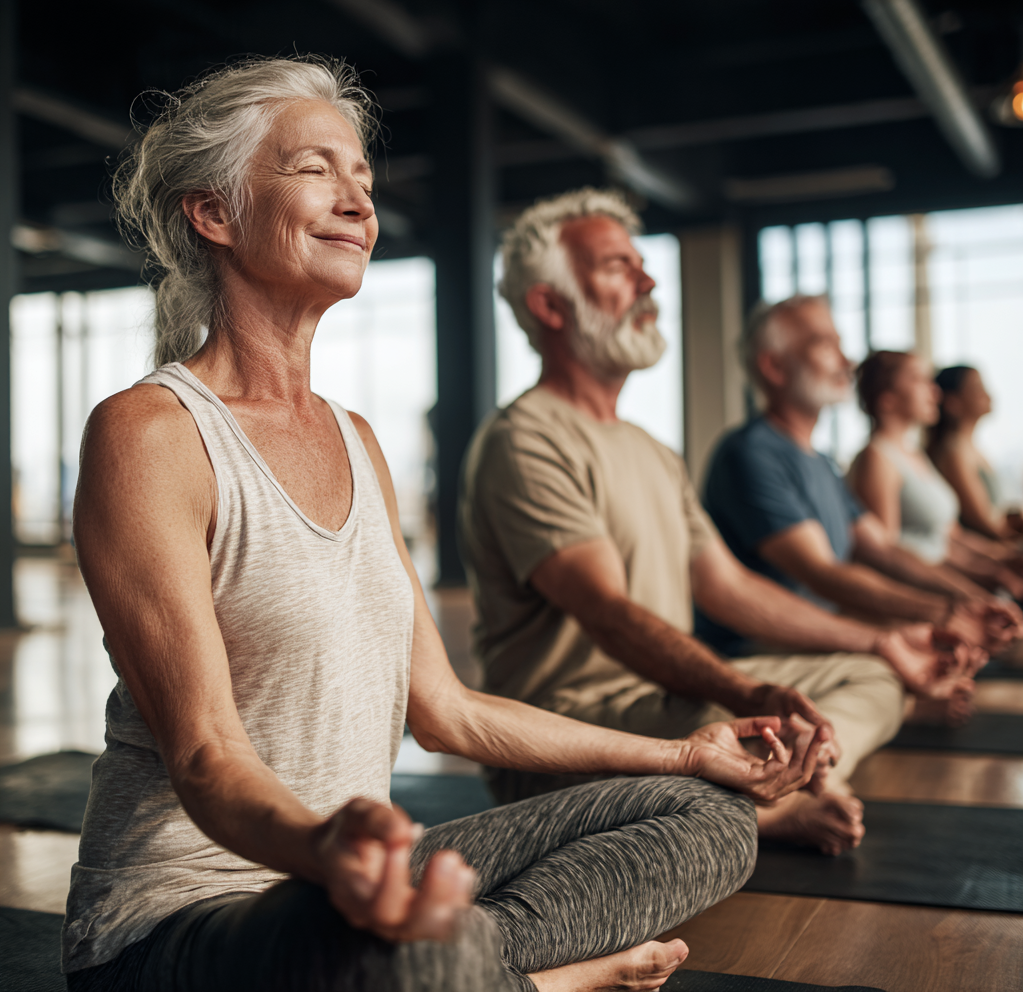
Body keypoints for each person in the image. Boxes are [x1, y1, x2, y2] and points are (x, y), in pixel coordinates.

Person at [63, 58, 829, 992]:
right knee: (407, 947)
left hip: (360, 882)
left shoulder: (359, 442)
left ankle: (468, 969)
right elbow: (204, 754)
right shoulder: (150, 434)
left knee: (707, 815)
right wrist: (324, 847)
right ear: (214, 213)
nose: (357, 201)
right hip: (182, 921)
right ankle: (535, 979)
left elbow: (449, 711)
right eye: (314, 170)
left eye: (364, 181)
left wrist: (687, 751)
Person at [459, 188, 969, 859]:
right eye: (617, 268)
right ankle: (763, 804)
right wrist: (746, 690)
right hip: (565, 734)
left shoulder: (649, 449)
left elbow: (729, 587)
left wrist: (880, 643)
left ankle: (768, 788)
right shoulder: (524, 440)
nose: (648, 281)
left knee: (870, 678)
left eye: (642, 264)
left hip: (661, 704)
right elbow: (607, 611)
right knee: (722, 718)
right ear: (550, 306)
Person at [701, 296, 1020, 677]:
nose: (847, 361)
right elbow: (821, 573)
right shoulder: (749, 454)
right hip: (760, 649)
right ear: (774, 366)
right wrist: (945, 611)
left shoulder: (821, 463)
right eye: (824, 344)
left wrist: (972, 599)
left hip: (824, 637)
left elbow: (882, 549)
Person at [848, 351, 1023, 600]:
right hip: (921, 598)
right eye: (919, 380)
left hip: (943, 588)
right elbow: (887, 557)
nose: (935, 392)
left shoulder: (914, 454)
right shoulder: (876, 459)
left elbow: (946, 541)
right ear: (887, 399)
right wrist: (975, 590)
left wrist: (1001, 563)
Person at [927, 365, 1023, 542]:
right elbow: (987, 525)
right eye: (977, 388)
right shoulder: (953, 452)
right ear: (952, 402)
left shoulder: (971, 448)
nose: (987, 394)